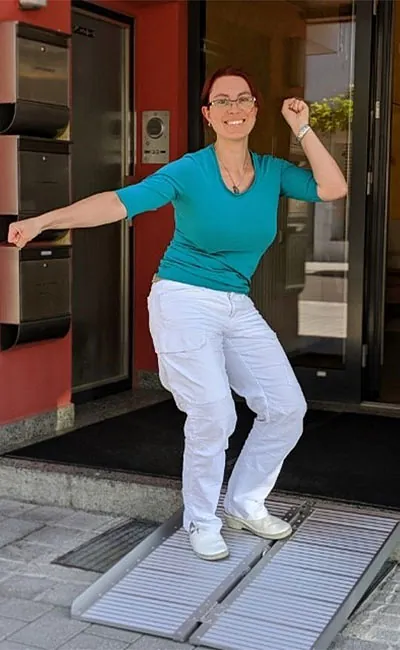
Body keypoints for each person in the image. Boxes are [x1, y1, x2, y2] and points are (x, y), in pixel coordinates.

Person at [8, 66, 347, 562]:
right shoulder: (190, 171)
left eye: (243, 99)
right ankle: (201, 520)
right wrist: (45, 221)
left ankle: (244, 503)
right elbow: (119, 203)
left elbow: (333, 187)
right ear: (208, 114)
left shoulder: (273, 172)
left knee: (286, 408)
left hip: (236, 302)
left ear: (255, 109)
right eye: (222, 101)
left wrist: (303, 127)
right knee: (213, 413)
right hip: (183, 298)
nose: (234, 108)